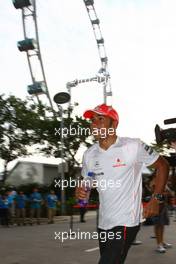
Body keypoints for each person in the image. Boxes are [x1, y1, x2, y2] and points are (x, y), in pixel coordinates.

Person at [76, 104, 169, 264]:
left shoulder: (132, 146)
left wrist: (156, 198)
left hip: (127, 221)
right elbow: (88, 181)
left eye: (100, 119)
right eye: (92, 120)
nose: (94, 124)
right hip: (104, 223)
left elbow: (163, 165)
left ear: (114, 124)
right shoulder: (89, 154)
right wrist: (82, 191)